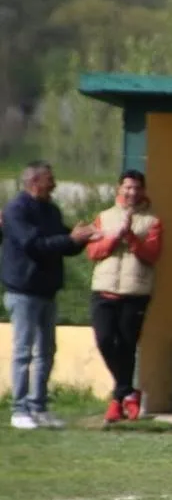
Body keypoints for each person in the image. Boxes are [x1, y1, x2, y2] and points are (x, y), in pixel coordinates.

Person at [2, 161, 99, 430]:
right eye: (49, 179)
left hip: (47, 292)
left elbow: (61, 244)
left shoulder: (51, 210)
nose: (54, 183)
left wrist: (81, 239)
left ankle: (39, 406)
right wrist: (71, 239)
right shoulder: (16, 210)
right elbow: (33, 245)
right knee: (23, 352)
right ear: (35, 182)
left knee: (46, 351)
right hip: (23, 292)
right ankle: (19, 409)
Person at [86, 169, 163, 424]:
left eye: (137, 188)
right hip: (104, 290)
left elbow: (151, 254)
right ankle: (127, 391)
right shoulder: (104, 217)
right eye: (127, 187)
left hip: (135, 293)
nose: (131, 192)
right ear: (119, 189)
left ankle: (117, 401)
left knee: (127, 346)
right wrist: (114, 237)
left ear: (143, 191)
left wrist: (130, 236)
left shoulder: (152, 221)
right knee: (106, 340)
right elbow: (93, 252)